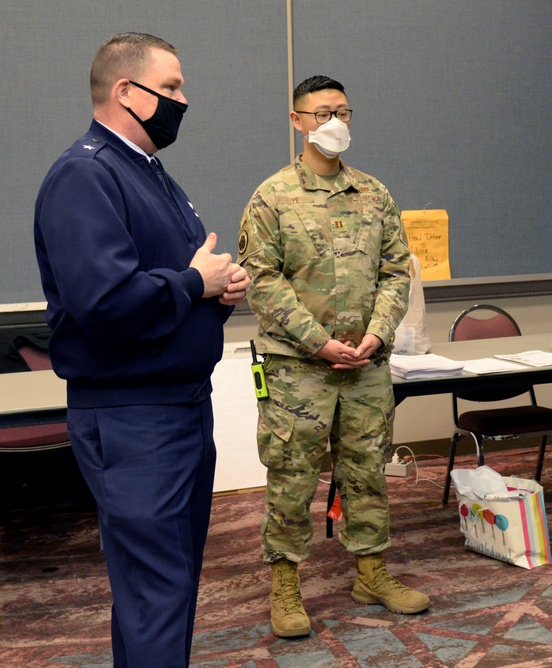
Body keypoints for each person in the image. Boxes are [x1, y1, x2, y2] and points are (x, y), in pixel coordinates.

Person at [33, 32, 248, 667]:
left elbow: (168, 277)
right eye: (173, 87)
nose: (185, 99)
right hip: (133, 417)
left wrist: (214, 289)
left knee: (166, 587)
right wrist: (192, 282)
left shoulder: (148, 172)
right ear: (127, 91)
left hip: (179, 407)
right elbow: (102, 302)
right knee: (156, 589)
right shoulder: (85, 175)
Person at [238, 75, 428, 638]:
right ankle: (285, 583)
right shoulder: (272, 196)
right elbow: (261, 281)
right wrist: (317, 342)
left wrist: (376, 332)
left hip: (366, 364)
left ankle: (371, 571)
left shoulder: (374, 193)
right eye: (321, 113)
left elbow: (397, 270)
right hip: (299, 370)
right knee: (292, 475)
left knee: (367, 471)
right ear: (297, 121)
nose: (333, 122)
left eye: (342, 111)